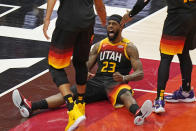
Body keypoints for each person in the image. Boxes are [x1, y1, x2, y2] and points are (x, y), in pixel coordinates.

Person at [12, 14, 153, 127]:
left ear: (121, 27)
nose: (110, 26)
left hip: (115, 84)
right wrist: (84, 72)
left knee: (125, 94)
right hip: (97, 82)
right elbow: (86, 66)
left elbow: (140, 73)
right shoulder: (99, 45)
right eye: (108, 24)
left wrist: (124, 78)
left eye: (113, 24)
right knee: (68, 94)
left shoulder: (129, 47)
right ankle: (31, 106)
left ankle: (138, 113)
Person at [14, 0, 106, 131]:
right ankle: (80, 105)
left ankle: (72, 109)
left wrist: (46, 19)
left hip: (67, 23)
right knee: (80, 62)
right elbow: (99, 4)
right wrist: (103, 19)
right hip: (87, 23)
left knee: (55, 65)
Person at [120, 0, 196, 113]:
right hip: (193, 16)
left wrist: (131, 14)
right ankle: (186, 91)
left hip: (176, 17)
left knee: (166, 57)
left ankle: (159, 99)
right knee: (184, 52)